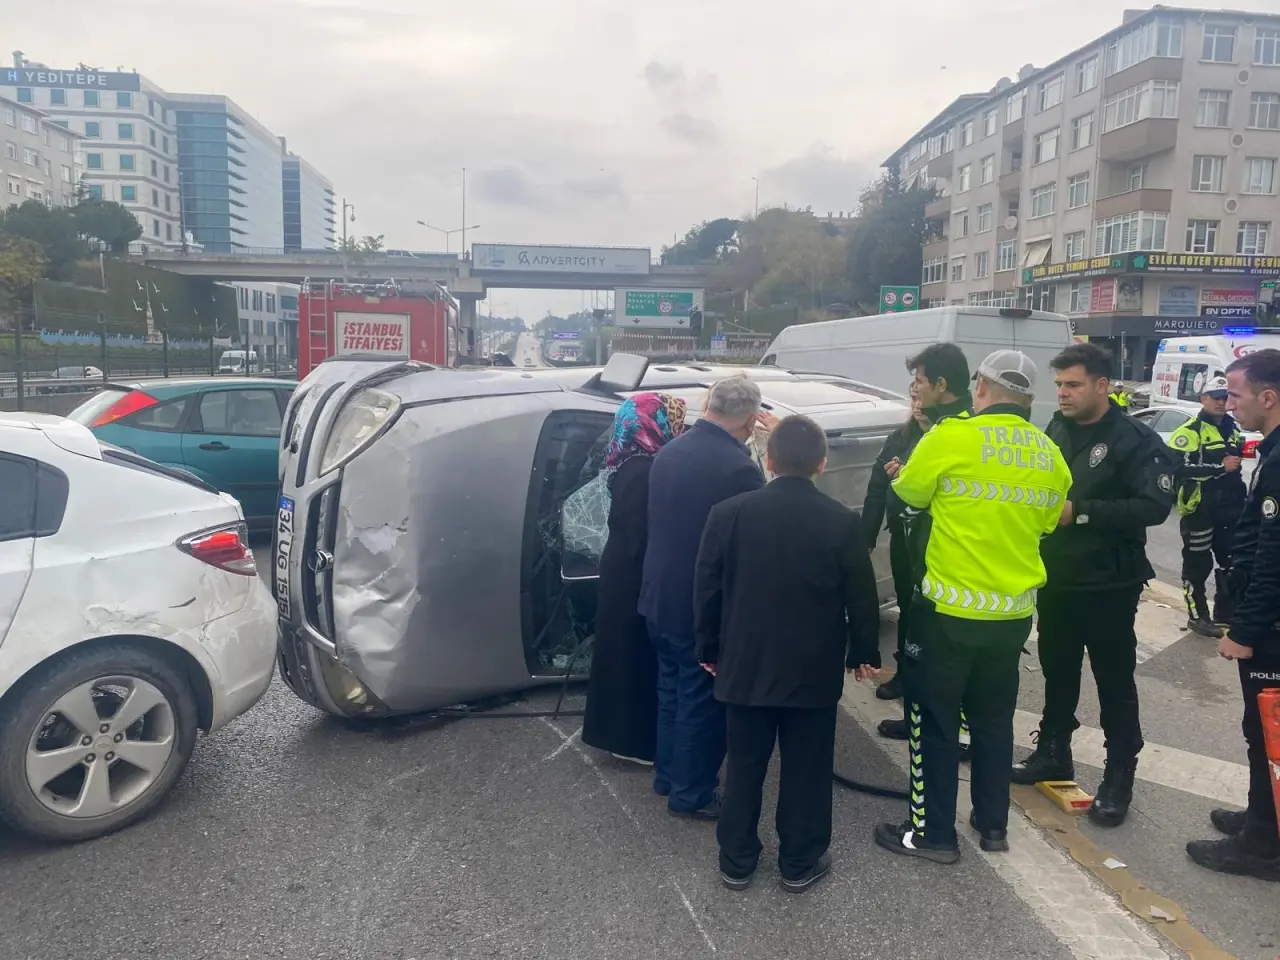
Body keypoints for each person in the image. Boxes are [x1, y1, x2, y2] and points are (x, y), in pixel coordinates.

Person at [873, 351, 1073, 863]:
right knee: (992, 722)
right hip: (1012, 616)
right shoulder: (1050, 453)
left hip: (948, 611)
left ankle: (931, 834)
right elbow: (1048, 524)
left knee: (934, 723)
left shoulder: (952, 436)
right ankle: (991, 822)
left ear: (980, 388)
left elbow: (909, 493)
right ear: (1029, 398)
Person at [694, 415, 881, 892]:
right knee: (807, 767)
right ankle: (799, 860)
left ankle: (736, 860)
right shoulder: (842, 521)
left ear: (770, 460)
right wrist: (862, 651)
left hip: (745, 663)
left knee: (744, 764)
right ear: (821, 464)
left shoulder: (728, 514)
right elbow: (861, 597)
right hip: (811, 668)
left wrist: (708, 647)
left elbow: (708, 589)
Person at [1013, 342, 1176, 828]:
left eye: (1073, 385)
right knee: (1057, 669)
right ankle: (1053, 751)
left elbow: (1153, 507)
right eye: (1059, 384)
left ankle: (1119, 774)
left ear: (1102, 385)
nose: (1062, 393)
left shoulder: (1135, 440)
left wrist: (1080, 512)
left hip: (1109, 582)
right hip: (1058, 576)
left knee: (1113, 679)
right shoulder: (1057, 427)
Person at [639, 375, 774, 820]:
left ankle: (667, 775)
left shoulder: (669, 451)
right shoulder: (738, 469)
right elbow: (758, 535)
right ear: (751, 421)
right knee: (700, 698)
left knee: (671, 689)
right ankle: (692, 792)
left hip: (659, 594)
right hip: (701, 602)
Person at [1186, 348, 1280, 883]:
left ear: (1268, 397)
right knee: (1258, 730)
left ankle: (1263, 845)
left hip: (1270, 629)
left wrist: (1244, 630)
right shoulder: (1270, 449)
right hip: (1266, 619)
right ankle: (1261, 817)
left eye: (1237, 394)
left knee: (1268, 731)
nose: (1231, 403)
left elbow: (1273, 557)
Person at [582, 393, 687, 765]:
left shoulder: (631, 462)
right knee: (633, 656)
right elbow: (642, 537)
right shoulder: (643, 470)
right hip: (632, 576)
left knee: (621, 653)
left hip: (622, 571)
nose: (677, 430)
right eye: (673, 421)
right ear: (652, 425)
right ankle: (633, 743)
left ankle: (618, 735)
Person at [861, 389, 928, 709]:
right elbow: (877, 489)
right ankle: (905, 674)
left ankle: (928, 682)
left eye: (923, 396)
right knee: (907, 608)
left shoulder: (948, 438)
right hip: (904, 539)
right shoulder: (899, 438)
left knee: (931, 615)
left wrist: (909, 474)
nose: (918, 405)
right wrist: (866, 537)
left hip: (939, 543)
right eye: (913, 397)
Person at [1168, 376, 1245, 638]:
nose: (1221, 402)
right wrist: (1218, 468)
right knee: (1197, 566)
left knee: (1233, 561)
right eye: (1215, 397)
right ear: (1203, 399)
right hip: (1200, 509)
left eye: (1225, 397)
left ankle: (1226, 613)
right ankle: (1197, 617)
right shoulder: (1190, 430)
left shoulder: (1233, 428)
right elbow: (1177, 468)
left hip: (1230, 508)